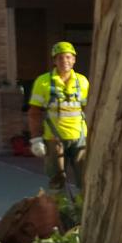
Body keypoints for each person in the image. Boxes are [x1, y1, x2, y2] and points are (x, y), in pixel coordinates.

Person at [28, 41, 90, 197]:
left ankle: (82, 214)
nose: (65, 61)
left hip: (80, 138)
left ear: (74, 59)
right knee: (56, 181)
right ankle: (60, 214)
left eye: (68, 57)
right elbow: (34, 112)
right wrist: (36, 139)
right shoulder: (43, 82)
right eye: (60, 58)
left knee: (85, 179)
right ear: (54, 61)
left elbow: (89, 109)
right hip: (54, 139)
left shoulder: (82, 82)